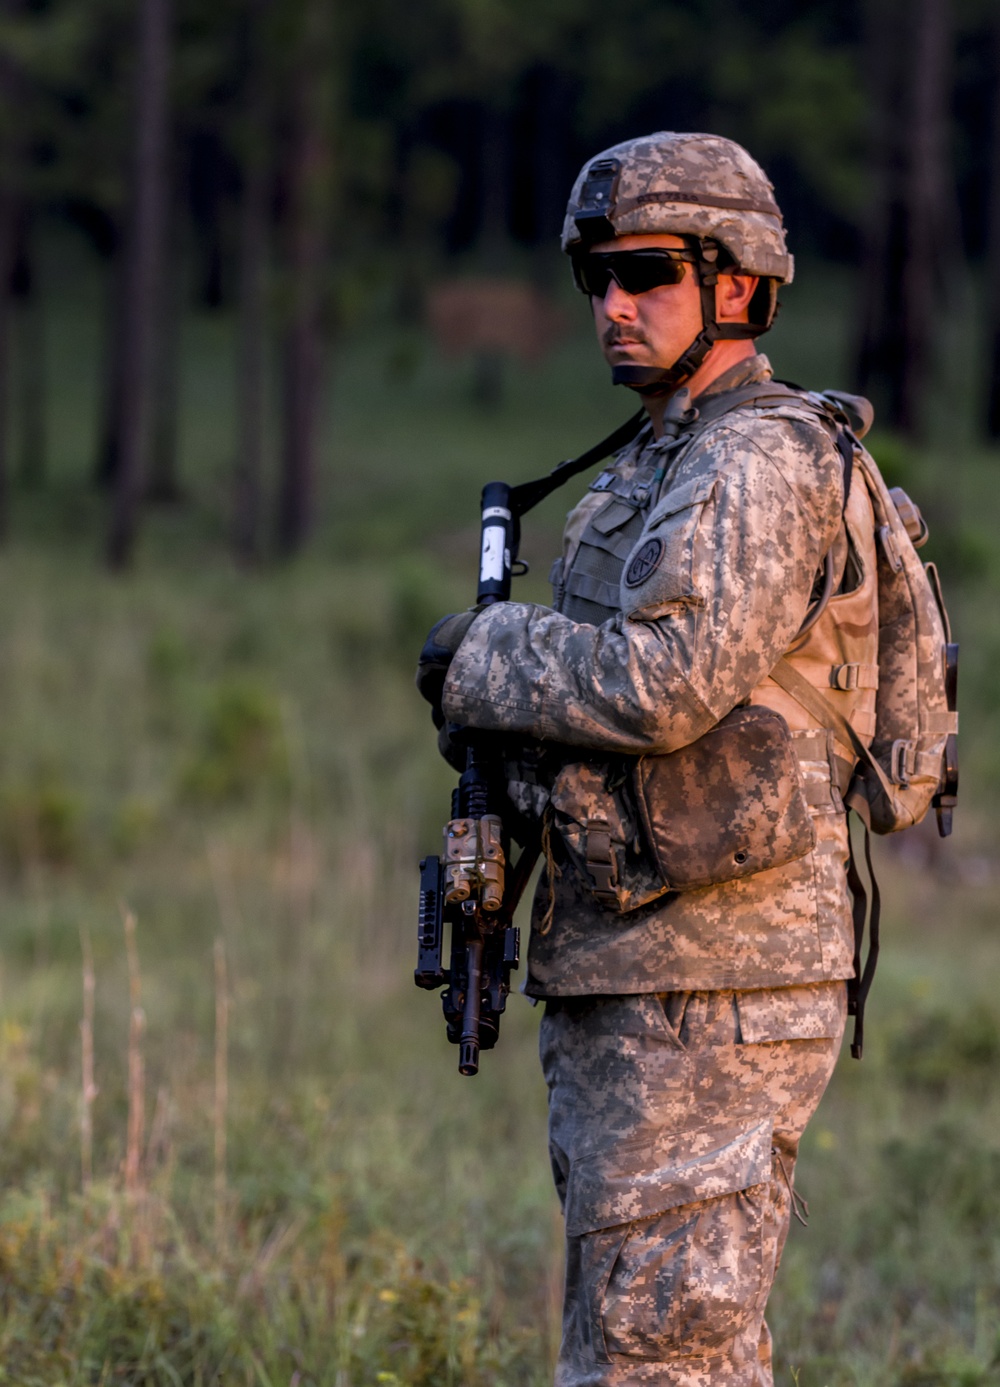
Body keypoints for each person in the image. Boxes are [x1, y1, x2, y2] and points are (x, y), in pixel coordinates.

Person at [417, 131, 878, 1387]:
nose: (612, 305)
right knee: (667, 1352)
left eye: (646, 273)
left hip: (711, 985)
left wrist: (482, 653)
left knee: (653, 1360)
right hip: (652, 965)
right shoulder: (668, 457)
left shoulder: (752, 461)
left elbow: (663, 683)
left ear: (736, 285)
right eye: (595, 279)